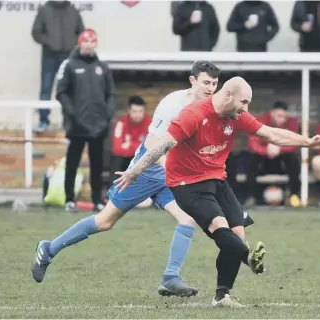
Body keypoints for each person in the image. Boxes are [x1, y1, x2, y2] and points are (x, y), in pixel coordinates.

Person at [32, 61, 255, 298]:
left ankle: (170, 277)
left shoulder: (212, 108)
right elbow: (151, 144)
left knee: (187, 219)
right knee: (105, 222)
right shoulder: (173, 104)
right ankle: (48, 249)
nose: (210, 88)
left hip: (174, 176)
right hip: (148, 171)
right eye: (205, 82)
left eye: (214, 83)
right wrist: (178, 169)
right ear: (193, 81)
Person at [113, 76, 320, 307]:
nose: (245, 109)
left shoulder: (235, 115)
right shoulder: (194, 114)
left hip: (217, 180)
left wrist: (308, 142)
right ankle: (247, 257)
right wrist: (134, 171)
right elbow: (162, 145)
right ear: (228, 95)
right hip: (186, 184)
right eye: (244, 102)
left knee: (237, 234)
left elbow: (270, 134)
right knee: (219, 226)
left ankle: (222, 296)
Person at [56, 28, 115, 213]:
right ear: (79, 43)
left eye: (92, 41)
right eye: (85, 41)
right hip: (77, 126)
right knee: (72, 162)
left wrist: (107, 115)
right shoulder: (69, 65)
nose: (89, 45)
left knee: (97, 164)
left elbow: (111, 93)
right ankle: (69, 200)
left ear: (95, 44)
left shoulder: (102, 68)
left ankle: (97, 199)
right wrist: (73, 115)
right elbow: (61, 93)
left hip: (98, 126)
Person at [31, 0, 84, 132]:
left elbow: (81, 33)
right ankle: (43, 121)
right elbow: (36, 32)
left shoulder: (73, 11)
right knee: (46, 88)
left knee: (68, 90)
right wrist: (49, 42)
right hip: (49, 56)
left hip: (68, 57)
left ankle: (69, 122)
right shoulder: (44, 10)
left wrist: (72, 45)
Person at [245, 101, 301, 207]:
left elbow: (295, 143)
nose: (282, 119)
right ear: (272, 113)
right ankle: (252, 196)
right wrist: (266, 150)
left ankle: (293, 195)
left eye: (285, 117)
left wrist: (279, 148)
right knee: (251, 158)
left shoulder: (292, 122)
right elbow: (252, 144)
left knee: (293, 159)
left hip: (282, 161)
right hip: (264, 160)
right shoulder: (260, 121)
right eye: (279, 116)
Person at [111, 96, 151, 173]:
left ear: (144, 111)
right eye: (134, 111)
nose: (138, 115)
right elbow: (116, 149)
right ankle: (116, 184)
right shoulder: (121, 123)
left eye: (140, 111)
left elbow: (149, 149)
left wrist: (130, 145)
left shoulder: (150, 124)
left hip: (141, 159)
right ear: (129, 111)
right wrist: (139, 146)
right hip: (124, 160)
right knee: (116, 159)